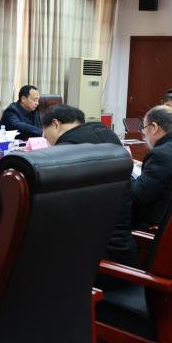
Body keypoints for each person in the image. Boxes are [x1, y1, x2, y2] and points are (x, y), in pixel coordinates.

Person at [41, 104, 135, 266]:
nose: (45, 138)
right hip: (123, 250)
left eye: (44, 133)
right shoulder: (109, 136)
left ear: (56, 124)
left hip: (88, 261)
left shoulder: (66, 153)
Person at [130, 105, 172, 231]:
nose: (144, 136)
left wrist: (126, 170)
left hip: (155, 227)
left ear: (154, 127)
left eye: (144, 129)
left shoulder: (160, 155)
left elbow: (138, 195)